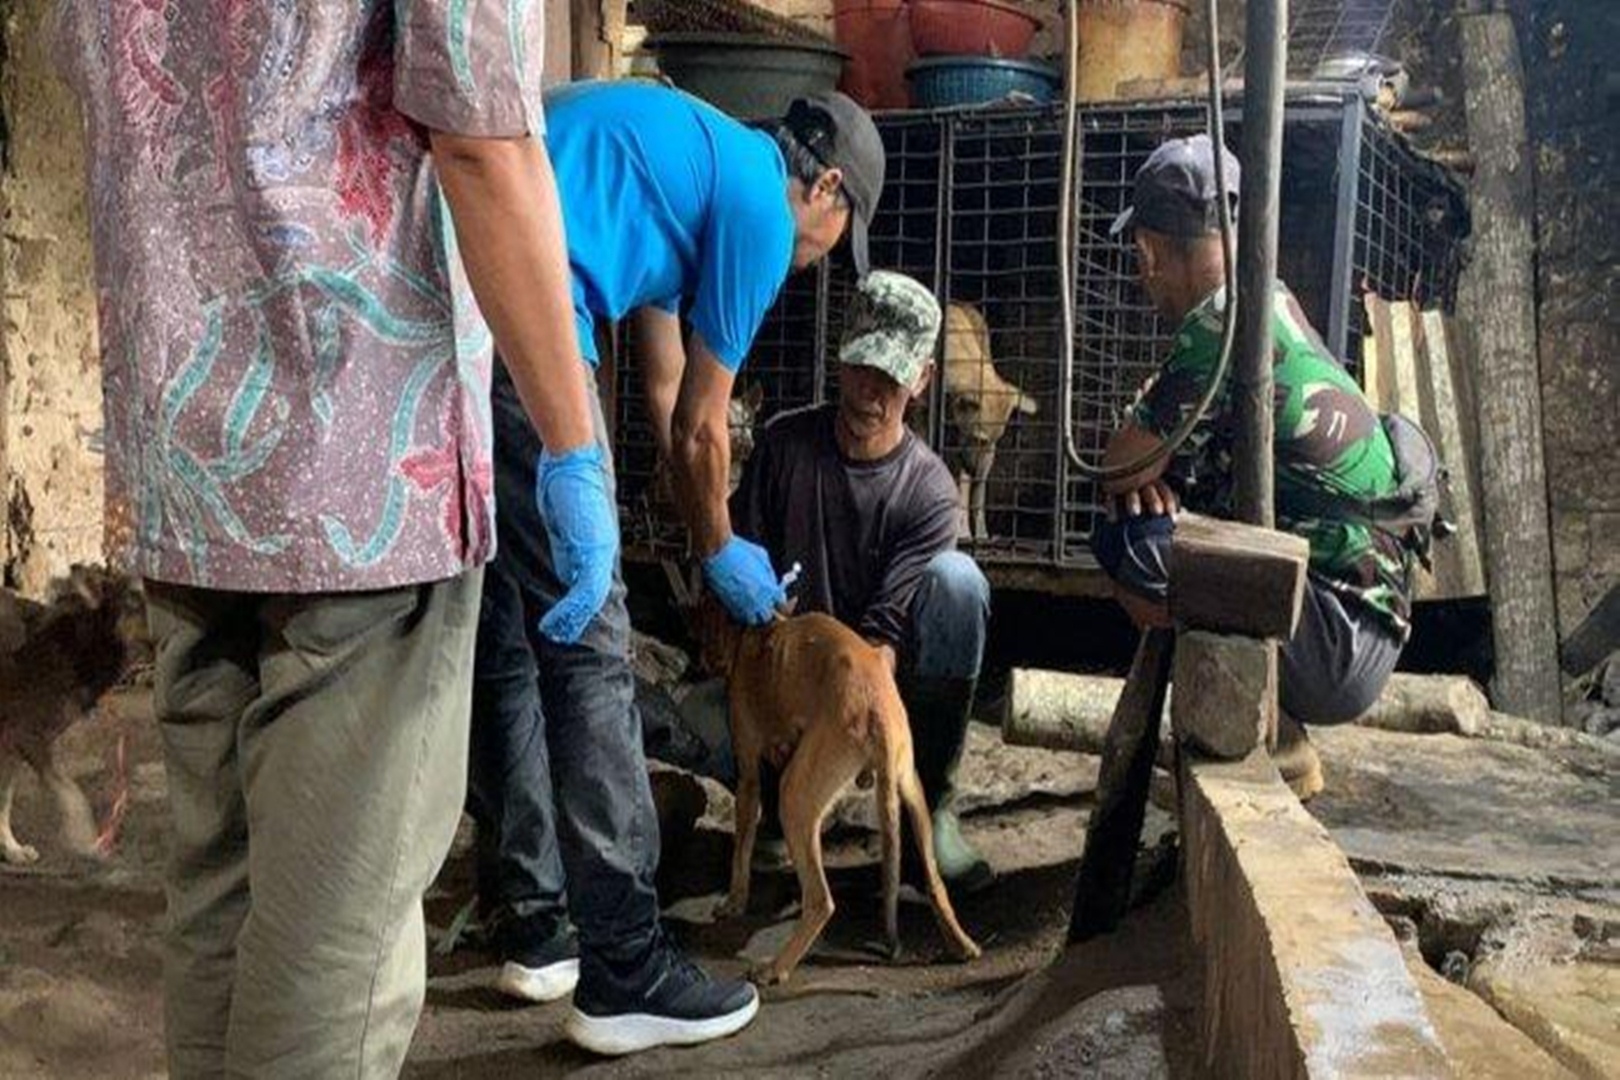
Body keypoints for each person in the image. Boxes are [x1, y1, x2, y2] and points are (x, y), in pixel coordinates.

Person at [59, 3, 620, 1077]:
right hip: (360, 465)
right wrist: (571, 441)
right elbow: (483, 139)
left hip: (189, 460)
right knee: (334, 948)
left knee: (221, 905)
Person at [466, 82, 886, 1055]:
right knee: (588, 640)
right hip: (520, 313)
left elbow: (664, 395)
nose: (821, 258)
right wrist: (719, 548)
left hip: (460, 308)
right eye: (839, 232)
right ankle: (624, 965)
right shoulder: (759, 208)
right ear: (822, 185)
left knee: (511, 627)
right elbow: (703, 426)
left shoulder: (686, 161)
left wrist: (699, 520)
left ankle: (533, 926)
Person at [1093, 135, 1414, 800]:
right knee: (1177, 516)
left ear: (1148, 252)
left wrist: (1146, 478)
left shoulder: (1218, 323)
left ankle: (1267, 732)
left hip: (1332, 640)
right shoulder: (1268, 296)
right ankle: (1267, 725)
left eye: (1139, 256)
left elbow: (1117, 470)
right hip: (1367, 620)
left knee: (1129, 541)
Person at [716, 270, 995, 892]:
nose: (870, 392)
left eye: (891, 378)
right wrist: (775, 708)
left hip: (865, 693)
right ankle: (771, 810)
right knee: (693, 724)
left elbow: (882, 640)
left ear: (921, 380)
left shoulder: (928, 492)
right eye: (861, 368)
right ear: (840, 359)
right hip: (785, 682)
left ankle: (931, 800)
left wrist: (833, 726)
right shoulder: (786, 446)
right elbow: (744, 585)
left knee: (958, 585)